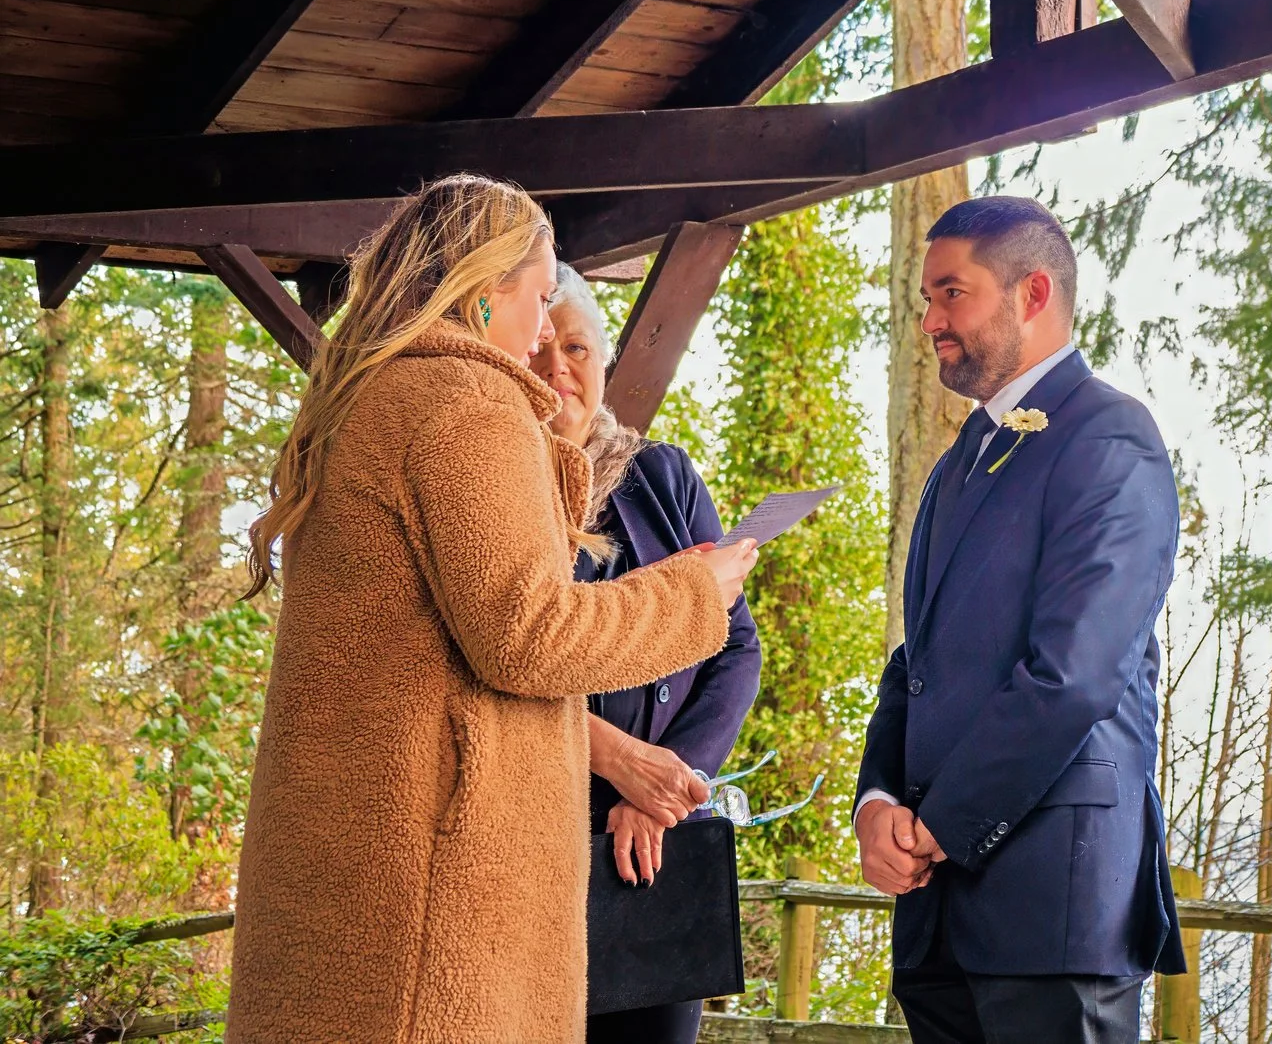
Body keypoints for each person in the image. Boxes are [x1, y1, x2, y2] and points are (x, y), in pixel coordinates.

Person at [226, 175, 760, 1044]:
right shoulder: (466, 406)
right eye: (541, 295)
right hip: (432, 904)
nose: (547, 327)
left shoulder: (367, 398)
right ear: (484, 292)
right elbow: (528, 632)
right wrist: (694, 592)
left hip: (354, 879)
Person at [854, 195, 1186, 1044]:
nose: (929, 318)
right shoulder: (956, 463)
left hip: (1052, 905)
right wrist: (877, 799)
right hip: (939, 914)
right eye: (927, 297)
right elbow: (913, 663)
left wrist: (939, 824)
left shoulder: (1112, 439)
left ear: (1032, 293)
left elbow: (1071, 677)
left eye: (951, 293)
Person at [535, 264, 764, 1044]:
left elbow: (735, 645)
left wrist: (667, 782)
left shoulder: (660, 475)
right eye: (536, 346)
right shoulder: (492, 488)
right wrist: (617, 759)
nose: (556, 368)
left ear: (603, 358)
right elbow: (500, 656)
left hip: (656, 845)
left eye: (575, 346)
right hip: (530, 842)